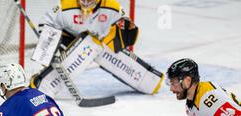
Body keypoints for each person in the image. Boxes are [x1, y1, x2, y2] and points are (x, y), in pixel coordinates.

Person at [29, 0, 162, 97]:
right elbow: (47, 22)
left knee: (95, 46)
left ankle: (150, 81)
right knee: (86, 46)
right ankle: (41, 84)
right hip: (69, 39)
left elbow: (126, 31)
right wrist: (50, 46)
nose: (86, 2)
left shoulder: (113, 7)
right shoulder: (66, 6)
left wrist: (120, 32)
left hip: (100, 40)